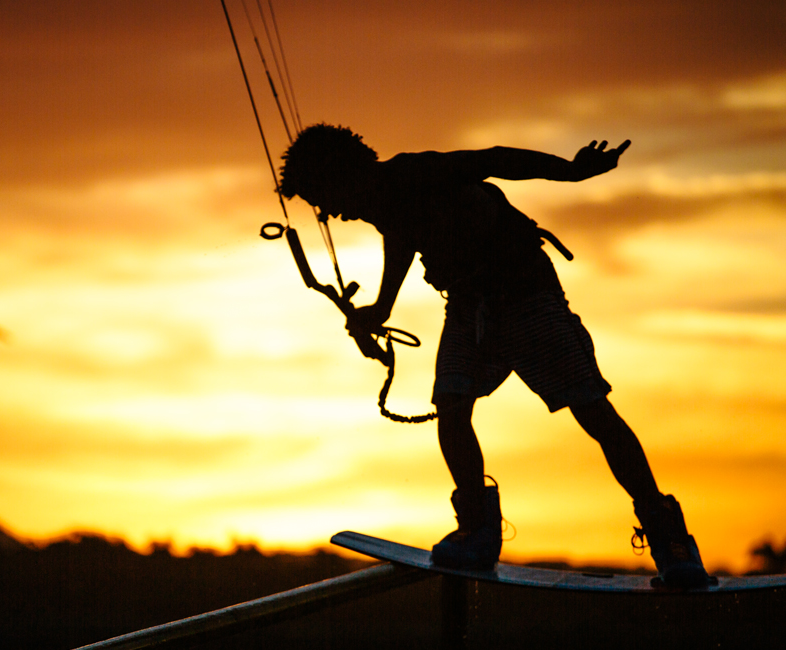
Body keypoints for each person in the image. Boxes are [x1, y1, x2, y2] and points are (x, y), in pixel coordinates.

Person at [278, 124, 710, 589]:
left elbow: (496, 158)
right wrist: (381, 308)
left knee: (593, 413)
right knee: (452, 406)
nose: (329, 212)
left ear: (344, 174)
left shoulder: (416, 171)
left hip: (525, 294)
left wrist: (570, 172)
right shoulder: (383, 204)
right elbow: (403, 237)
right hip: (468, 306)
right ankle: (477, 531)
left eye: (324, 197)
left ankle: (669, 538)